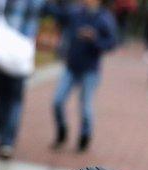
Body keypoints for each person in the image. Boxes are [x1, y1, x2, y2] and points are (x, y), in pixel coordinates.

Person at [49, 0, 118, 152]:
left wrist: (94, 39)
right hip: (71, 66)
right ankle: (62, 131)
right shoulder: (75, 12)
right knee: (57, 101)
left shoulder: (104, 18)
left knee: (85, 107)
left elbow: (112, 43)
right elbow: (58, 15)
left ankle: (84, 137)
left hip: (90, 69)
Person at [0, 0, 47, 159]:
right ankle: (4, 136)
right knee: (3, 97)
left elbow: (33, 19)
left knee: (11, 98)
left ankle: (6, 139)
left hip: (14, 53)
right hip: (0, 51)